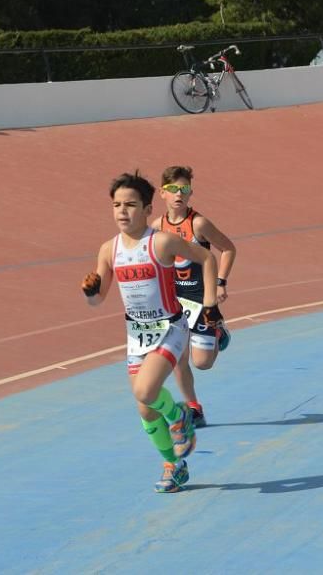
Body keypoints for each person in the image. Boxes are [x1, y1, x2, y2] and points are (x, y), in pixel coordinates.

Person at [81, 171, 222, 493]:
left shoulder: (161, 241)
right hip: (137, 335)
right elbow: (97, 300)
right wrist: (90, 291)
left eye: (130, 204)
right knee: (145, 408)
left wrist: (210, 303)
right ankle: (174, 465)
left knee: (145, 391)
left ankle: (181, 416)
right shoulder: (108, 250)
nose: (122, 211)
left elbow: (207, 258)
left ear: (147, 209)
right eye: (116, 205)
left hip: (170, 328)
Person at [155, 166, 236, 428]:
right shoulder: (158, 226)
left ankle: (218, 332)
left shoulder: (198, 223)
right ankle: (194, 407)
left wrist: (221, 282)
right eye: (173, 189)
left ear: (190, 193)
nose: (179, 194)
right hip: (176, 300)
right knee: (178, 356)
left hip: (203, 299)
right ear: (162, 194)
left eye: (184, 189)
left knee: (202, 363)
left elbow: (228, 249)